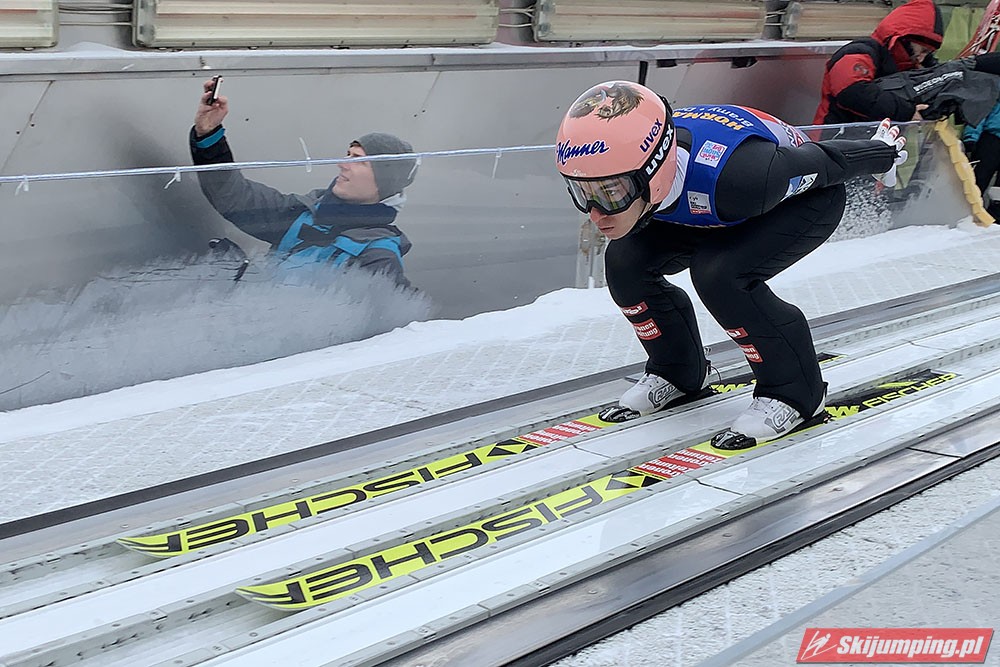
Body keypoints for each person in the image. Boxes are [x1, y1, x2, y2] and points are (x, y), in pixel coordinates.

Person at [555, 81, 905, 450]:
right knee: (624, 262)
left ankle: (795, 393)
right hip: (703, 202)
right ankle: (677, 370)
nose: (595, 214)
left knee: (720, 275)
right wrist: (616, 195)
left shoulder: (744, 175)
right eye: (583, 192)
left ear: (654, 170)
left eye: (610, 193)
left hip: (795, 200)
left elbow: (822, 162)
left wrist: (882, 152)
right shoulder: (648, 172)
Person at [189, 78, 418, 285]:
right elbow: (233, 197)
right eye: (347, 155)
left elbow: (366, 314)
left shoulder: (377, 256)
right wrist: (209, 135)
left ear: (383, 179)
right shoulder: (306, 213)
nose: (343, 164)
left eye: (358, 160)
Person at [813, 0, 943, 125]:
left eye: (928, 54)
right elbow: (851, 92)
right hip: (831, 135)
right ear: (906, 38)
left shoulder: (910, 65)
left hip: (872, 136)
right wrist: (904, 111)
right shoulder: (858, 52)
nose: (921, 58)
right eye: (923, 51)